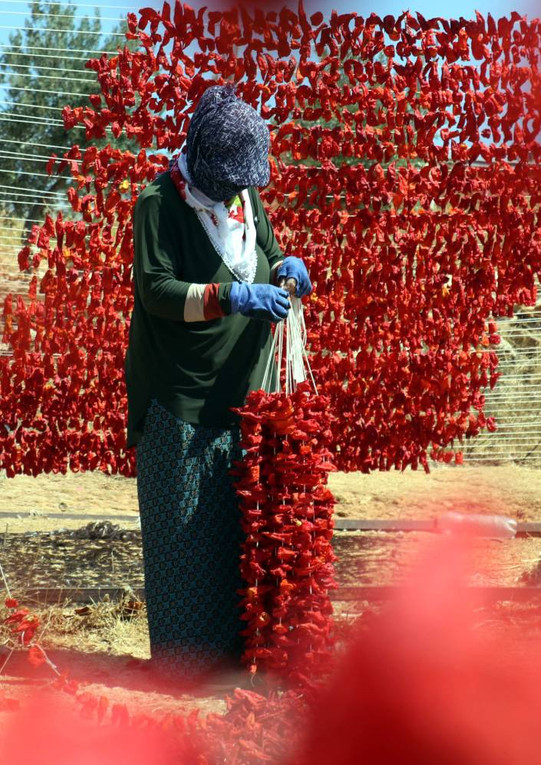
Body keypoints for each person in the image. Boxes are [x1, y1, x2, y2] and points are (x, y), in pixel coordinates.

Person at [125, 84, 312, 684]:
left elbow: (268, 250)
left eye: (243, 183)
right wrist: (228, 296)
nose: (237, 191)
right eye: (229, 179)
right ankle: (185, 665)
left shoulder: (243, 196)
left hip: (243, 391)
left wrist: (286, 266)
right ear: (201, 157)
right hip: (180, 394)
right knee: (185, 535)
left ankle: (236, 660)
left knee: (239, 529)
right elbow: (155, 292)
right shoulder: (158, 204)